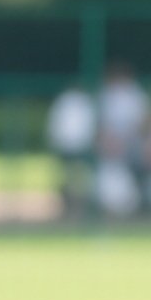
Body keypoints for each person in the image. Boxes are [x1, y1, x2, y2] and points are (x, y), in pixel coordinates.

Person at [95, 62, 150, 218]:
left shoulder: (136, 95)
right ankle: (111, 203)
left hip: (133, 145)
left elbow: (145, 124)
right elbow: (97, 126)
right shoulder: (104, 95)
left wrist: (126, 141)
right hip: (109, 147)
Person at [45, 82, 96, 219]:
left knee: (79, 180)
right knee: (69, 179)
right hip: (69, 147)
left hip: (78, 147)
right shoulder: (69, 101)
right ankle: (68, 207)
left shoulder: (80, 102)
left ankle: (79, 208)